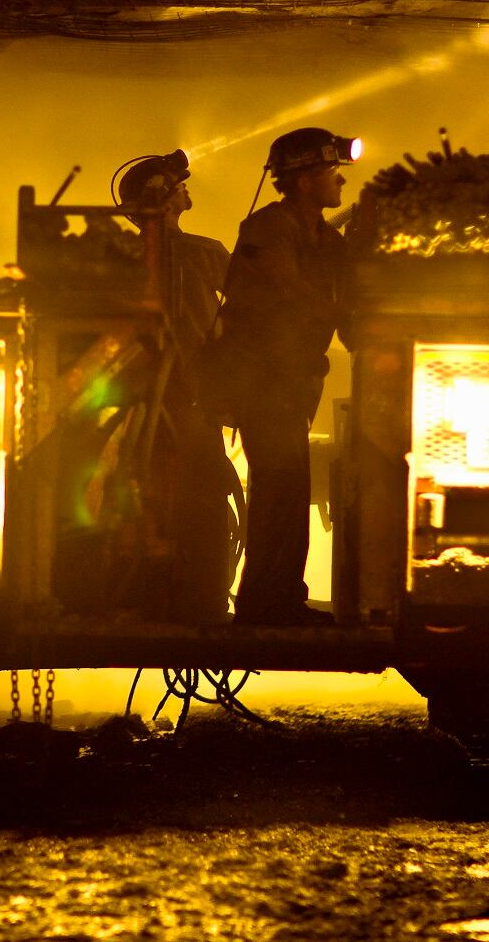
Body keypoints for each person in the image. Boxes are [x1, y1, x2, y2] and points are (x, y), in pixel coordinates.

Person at [214, 127, 358, 626]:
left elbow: (342, 296)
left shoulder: (323, 237)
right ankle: (266, 604)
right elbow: (292, 293)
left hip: (293, 382)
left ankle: (277, 599)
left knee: (290, 491)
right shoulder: (267, 230)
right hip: (264, 380)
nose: (340, 182)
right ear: (302, 181)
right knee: (278, 491)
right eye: (331, 173)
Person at [117, 150, 237, 621]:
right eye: (178, 185)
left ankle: (135, 591)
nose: (187, 190)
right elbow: (253, 304)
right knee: (206, 490)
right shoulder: (204, 254)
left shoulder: (119, 257)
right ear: (164, 200)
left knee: (138, 491)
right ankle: (200, 597)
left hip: (130, 403)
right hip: (195, 396)